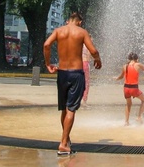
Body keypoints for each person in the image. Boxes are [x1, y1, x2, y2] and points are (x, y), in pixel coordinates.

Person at [43, 12, 101, 157]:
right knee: (71, 109)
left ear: (67, 20)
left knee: (64, 109)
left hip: (62, 72)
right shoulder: (82, 32)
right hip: (76, 73)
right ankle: (63, 144)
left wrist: (48, 63)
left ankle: (66, 140)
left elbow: (46, 44)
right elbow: (93, 50)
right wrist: (98, 59)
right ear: (79, 22)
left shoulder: (58, 31)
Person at [115, 52, 144, 125]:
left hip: (126, 88)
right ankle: (139, 117)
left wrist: (116, 78)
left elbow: (121, 77)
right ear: (137, 59)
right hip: (134, 88)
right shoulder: (138, 64)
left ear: (129, 59)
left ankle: (126, 122)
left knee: (128, 104)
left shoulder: (125, 66)